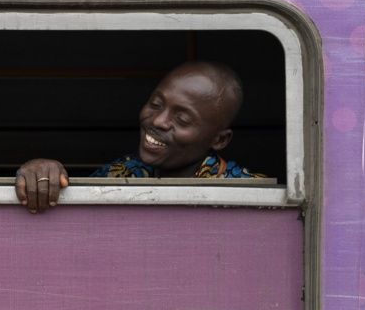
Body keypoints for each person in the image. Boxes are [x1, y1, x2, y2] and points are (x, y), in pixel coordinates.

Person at [14, 61, 264, 213]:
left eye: (182, 120)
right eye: (156, 104)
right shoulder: (122, 171)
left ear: (219, 140)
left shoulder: (251, 194)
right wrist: (45, 173)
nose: (157, 120)